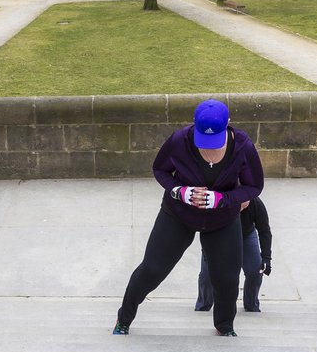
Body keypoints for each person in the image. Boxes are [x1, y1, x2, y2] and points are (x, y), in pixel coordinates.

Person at [113, 99, 264, 337]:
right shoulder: (179, 141)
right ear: (194, 125)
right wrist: (180, 191)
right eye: (203, 137)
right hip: (178, 215)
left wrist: (222, 199)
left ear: (229, 125)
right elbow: (160, 170)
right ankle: (123, 319)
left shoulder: (243, 145)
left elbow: (254, 185)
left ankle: (225, 328)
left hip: (221, 219)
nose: (209, 146)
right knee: (152, 269)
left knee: (226, 278)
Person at [195, 197, 272, 312]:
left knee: (256, 270)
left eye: (243, 204)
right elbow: (205, 228)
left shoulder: (255, 203)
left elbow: (264, 230)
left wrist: (266, 258)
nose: (239, 208)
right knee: (207, 274)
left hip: (245, 236)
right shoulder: (217, 201)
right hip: (218, 236)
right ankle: (203, 305)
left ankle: (251, 305)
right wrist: (207, 252)